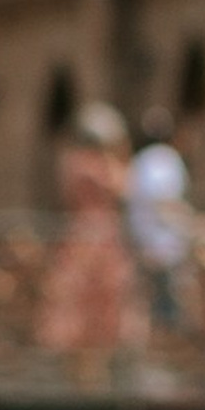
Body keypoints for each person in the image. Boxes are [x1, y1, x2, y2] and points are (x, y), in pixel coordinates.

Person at [38, 101, 138, 357]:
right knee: (91, 303)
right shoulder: (92, 165)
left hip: (81, 234)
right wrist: (122, 157)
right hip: (99, 235)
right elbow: (125, 186)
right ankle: (89, 374)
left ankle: (88, 371)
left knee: (90, 302)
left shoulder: (70, 162)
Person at [124, 112, 195, 335]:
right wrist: (194, 225)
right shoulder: (164, 160)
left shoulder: (140, 160)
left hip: (141, 241)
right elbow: (164, 204)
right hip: (163, 246)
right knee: (165, 315)